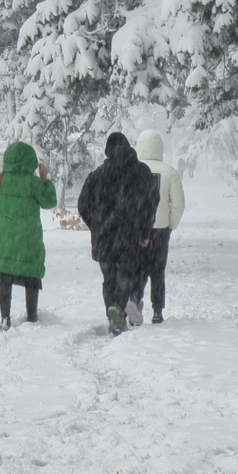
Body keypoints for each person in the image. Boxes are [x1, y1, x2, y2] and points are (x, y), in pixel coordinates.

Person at [78, 132, 160, 335]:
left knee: (109, 279)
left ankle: (112, 313)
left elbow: (82, 205)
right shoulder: (142, 173)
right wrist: (145, 231)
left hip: (104, 237)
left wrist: (96, 225)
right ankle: (119, 314)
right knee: (125, 276)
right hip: (129, 236)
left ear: (107, 150)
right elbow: (151, 205)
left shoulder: (97, 175)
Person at [0, 141, 57, 331]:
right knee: (31, 274)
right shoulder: (33, 182)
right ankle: (32, 315)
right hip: (28, 238)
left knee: (4, 275)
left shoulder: (2, 179)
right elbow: (49, 201)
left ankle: (5, 317)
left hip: (6, 238)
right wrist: (45, 178)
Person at [134, 129, 186, 324]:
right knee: (158, 270)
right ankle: (157, 310)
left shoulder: (133, 170)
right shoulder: (170, 173)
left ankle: (135, 302)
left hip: (137, 229)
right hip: (161, 229)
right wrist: (170, 224)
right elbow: (179, 204)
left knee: (137, 268)